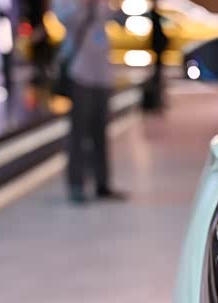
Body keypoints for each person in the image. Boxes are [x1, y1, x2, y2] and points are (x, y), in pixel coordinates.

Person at [52, 0, 126, 204]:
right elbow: (66, 20)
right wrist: (85, 5)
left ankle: (102, 183)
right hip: (79, 73)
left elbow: (116, 19)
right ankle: (76, 185)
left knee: (101, 132)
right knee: (78, 133)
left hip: (102, 74)